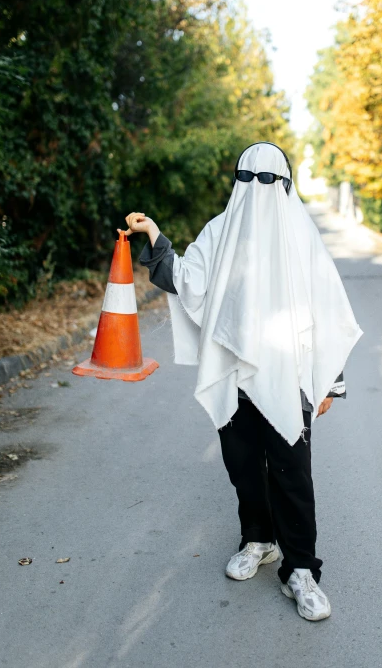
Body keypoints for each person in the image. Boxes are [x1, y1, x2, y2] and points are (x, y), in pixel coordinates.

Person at [119, 141, 363, 621]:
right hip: (234, 373)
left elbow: (328, 310)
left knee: (293, 473)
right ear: (236, 180)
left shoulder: (301, 237)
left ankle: (300, 570)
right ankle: (259, 540)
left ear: (285, 185)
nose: (255, 189)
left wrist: (330, 382)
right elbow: (186, 279)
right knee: (243, 465)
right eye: (246, 178)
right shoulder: (219, 231)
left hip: (290, 375)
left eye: (267, 179)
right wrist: (153, 234)